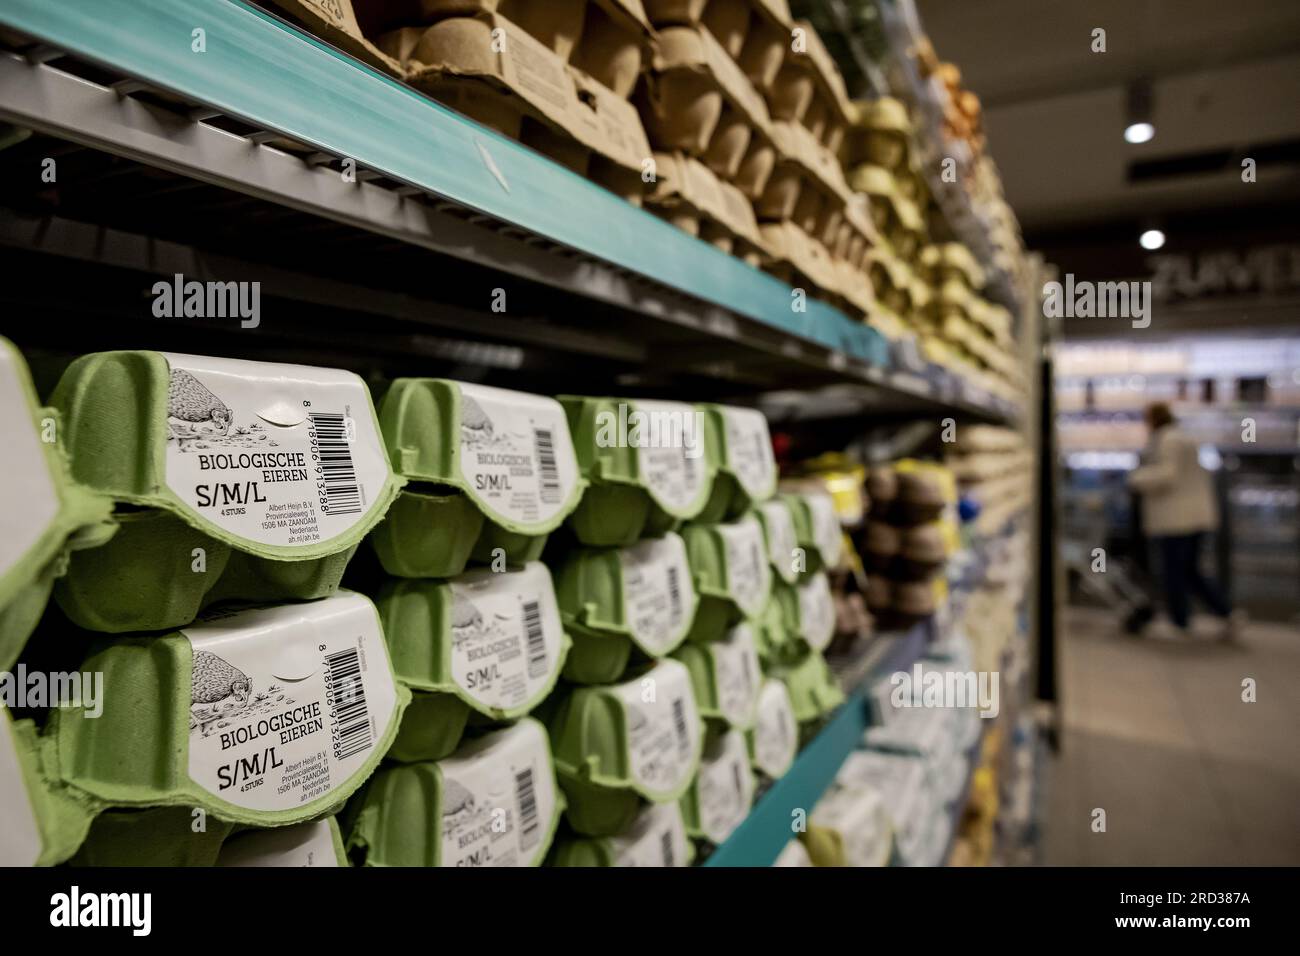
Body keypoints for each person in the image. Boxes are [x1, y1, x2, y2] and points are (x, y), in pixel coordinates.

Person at [1127, 402, 1240, 640]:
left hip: (1177, 519)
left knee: (1175, 572)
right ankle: (1226, 612)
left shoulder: (1167, 441)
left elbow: (1168, 475)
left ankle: (1181, 621)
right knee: (1190, 571)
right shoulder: (1183, 438)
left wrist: (1136, 478)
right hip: (1194, 516)